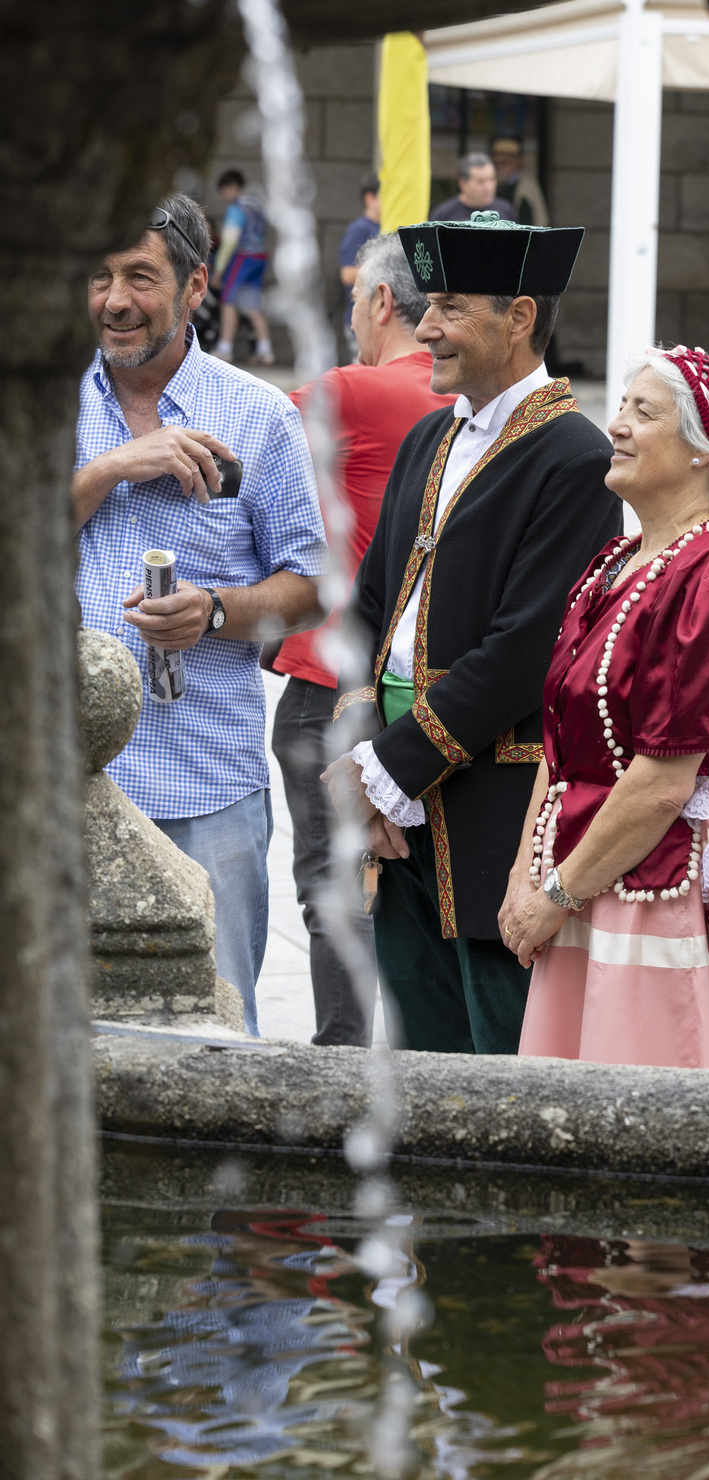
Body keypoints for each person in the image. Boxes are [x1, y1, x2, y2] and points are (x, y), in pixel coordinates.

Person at [322, 210, 621, 1056]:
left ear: (518, 317)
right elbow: (371, 598)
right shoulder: (431, 432)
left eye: (450, 307)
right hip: (395, 806)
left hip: (490, 812)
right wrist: (365, 745)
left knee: (499, 1071)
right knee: (415, 1066)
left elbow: (524, 653)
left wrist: (386, 768)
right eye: (426, 307)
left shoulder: (574, 458)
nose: (425, 329)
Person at [507, 347, 709, 1074]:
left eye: (643, 412)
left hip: (654, 897)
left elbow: (662, 781)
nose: (616, 424)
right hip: (584, 881)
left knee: (648, 1110)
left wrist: (554, 892)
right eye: (621, 405)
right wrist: (528, 875)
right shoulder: (614, 562)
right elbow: (559, 747)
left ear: (704, 452)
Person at [74, 193, 327, 1034]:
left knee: (217, 1036)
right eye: (100, 277)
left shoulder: (258, 416)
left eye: (140, 277)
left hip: (208, 786)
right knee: (57, 1038)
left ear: (194, 287)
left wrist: (215, 613)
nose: (114, 299)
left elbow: (312, 584)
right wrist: (108, 469)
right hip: (63, 788)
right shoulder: (48, 412)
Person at [270, 234, 442, 1043]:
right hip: (427, 684)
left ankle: (340, 1060)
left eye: (353, 306)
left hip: (333, 679)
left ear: (381, 303)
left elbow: (239, 446)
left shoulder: (353, 390)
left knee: (333, 888)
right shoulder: (466, 398)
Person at [211, 168, 275, 367]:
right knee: (252, 304)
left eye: (224, 190)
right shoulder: (256, 205)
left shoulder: (236, 208)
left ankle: (225, 348)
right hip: (260, 256)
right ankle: (265, 351)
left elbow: (230, 242)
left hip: (243, 257)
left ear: (232, 187)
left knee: (228, 300)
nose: (224, 196)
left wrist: (218, 271)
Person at [338, 175, 382, 325]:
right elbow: (347, 274)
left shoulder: (385, 227)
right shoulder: (359, 229)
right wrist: (383, 267)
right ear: (370, 198)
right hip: (361, 319)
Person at [429, 152, 516, 222]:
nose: (488, 187)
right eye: (480, 181)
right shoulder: (443, 215)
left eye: (491, 179)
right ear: (462, 183)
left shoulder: (506, 210)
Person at [491, 136, 550, 226]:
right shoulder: (498, 184)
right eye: (496, 163)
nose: (499, 167)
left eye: (504, 163)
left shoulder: (526, 186)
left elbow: (529, 222)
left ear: (516, 163)